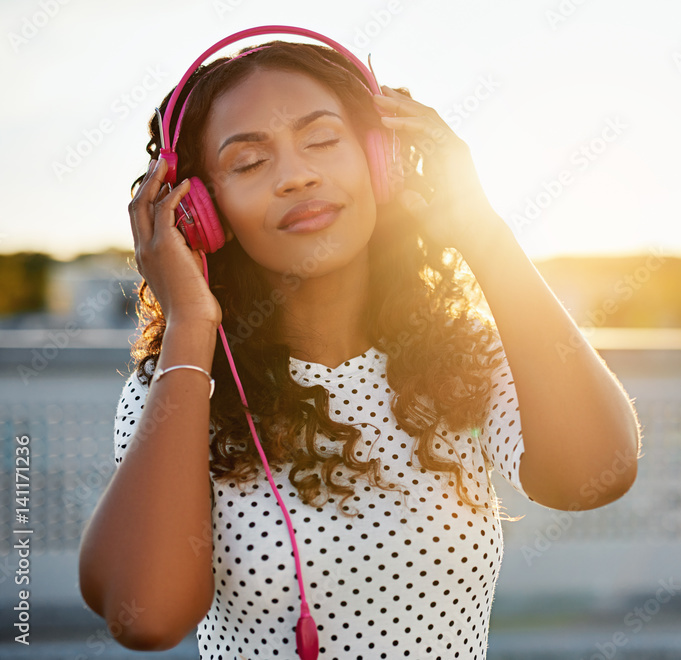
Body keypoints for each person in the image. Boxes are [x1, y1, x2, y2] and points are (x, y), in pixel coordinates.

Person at [78, 35, 641, 660]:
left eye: (322, 140)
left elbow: (593, 476)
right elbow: (147, 616)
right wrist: (189, 324)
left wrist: (483, 230)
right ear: (203, 214)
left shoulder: (463, 354)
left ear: (384, 162)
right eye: (248, 163)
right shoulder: (184, 383)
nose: (297, 176)